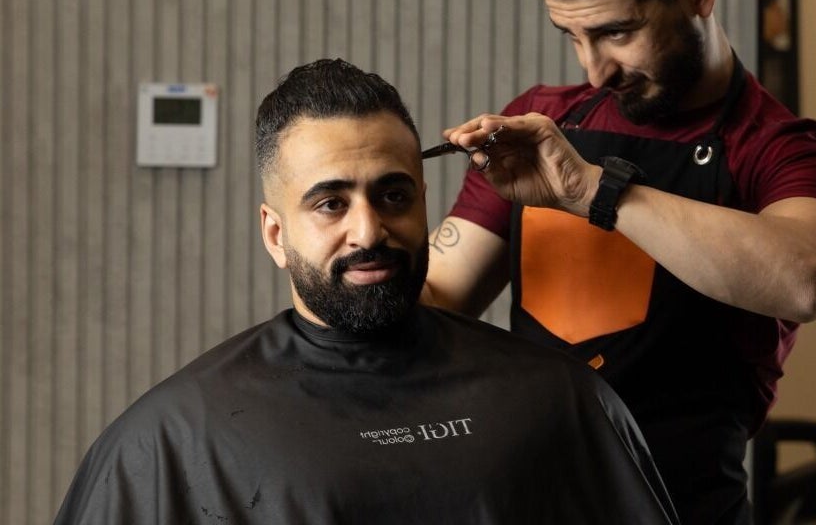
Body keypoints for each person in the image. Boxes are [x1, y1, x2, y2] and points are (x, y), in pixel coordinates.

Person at [55, 59, 679, 525]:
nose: (369, 229)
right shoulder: (170, 439)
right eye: (330, 203)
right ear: (274, 234)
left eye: (393, 195)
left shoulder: (558, 399)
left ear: (424, 202)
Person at [422, 0, 816, 524]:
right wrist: (335, 227)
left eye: (616, 33)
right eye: (572, 37)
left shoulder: (779, 148)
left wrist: (592, 190)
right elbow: (434, 299)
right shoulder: (545, 119)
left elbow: (807, 278)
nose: (594, 71)